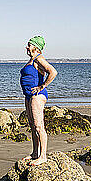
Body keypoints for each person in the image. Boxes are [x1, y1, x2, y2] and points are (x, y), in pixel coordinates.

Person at [19, 35, 58, 166]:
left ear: (36, 47)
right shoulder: (31, 60)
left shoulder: (39, 59)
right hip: (29, 95)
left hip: (37, 95)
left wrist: (43, 86)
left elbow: (53, 72)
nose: (27, 47)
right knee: (32, 125)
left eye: (29, 45)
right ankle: (35, 153)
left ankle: (43, 156)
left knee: (39, 126)